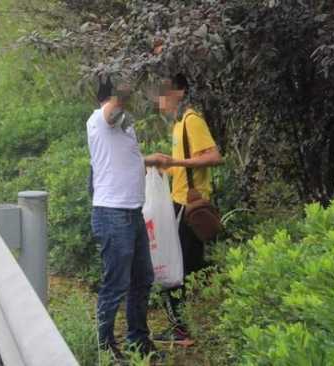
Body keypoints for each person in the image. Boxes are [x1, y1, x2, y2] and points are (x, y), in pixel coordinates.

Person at [88, 80, 166, 361]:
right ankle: (104, 346)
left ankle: (138, 341)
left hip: (132, 212)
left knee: (142, 278)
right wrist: (133, 75)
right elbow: (111, 110)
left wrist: (147, 159)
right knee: (116, 282)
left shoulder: (122, 125)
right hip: (113, 214)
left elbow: (119, 159)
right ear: (110, 99)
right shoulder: (100, 119)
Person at [154, 73, 222, 345]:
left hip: (188, 205)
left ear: (179, 93)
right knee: (190, 267)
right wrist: (165, 167)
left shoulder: (191, 120)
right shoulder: (178, 124)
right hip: (179, 201)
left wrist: (176, 164)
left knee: (173, 268)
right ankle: (192, 323)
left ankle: (181, 331)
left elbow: (213, 157)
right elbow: (185, 162)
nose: (160, 100)